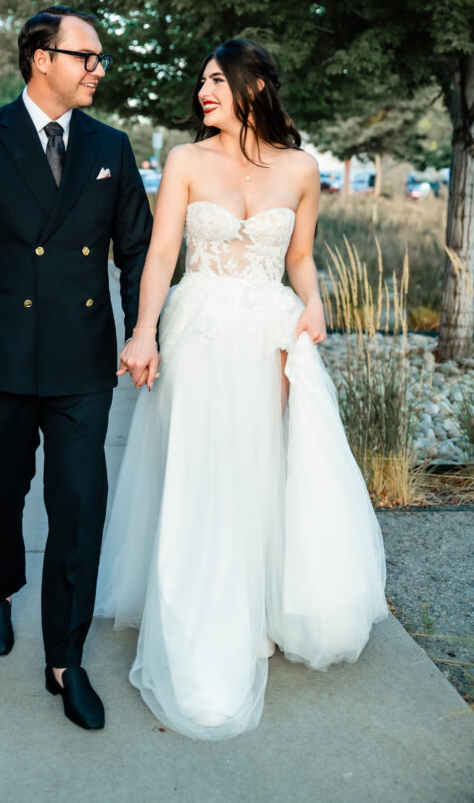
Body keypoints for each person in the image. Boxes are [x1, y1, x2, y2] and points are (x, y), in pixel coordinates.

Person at [95, 39, 388, 740]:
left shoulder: (300, 168)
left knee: (261, 465)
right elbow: (162, 252)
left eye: (218, 80)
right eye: (201, 81)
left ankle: (256, 611)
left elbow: (299, 255)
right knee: (201, 467)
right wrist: (141, 332)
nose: (204, 91)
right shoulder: (185, 161)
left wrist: (313, 305)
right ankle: (196, 617)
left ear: (254, 88)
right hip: (197, 329)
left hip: (269, 332)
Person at [0, 6, 153, 731]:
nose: (97, 69)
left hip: (82, 363)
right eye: (84, 56)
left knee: (78, 505)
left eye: (99, 58)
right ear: (39, 59)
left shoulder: (110, 147)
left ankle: (65, 657)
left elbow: (137, 253)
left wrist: (143, 331)